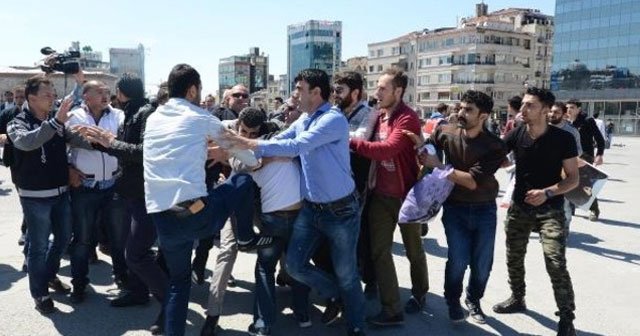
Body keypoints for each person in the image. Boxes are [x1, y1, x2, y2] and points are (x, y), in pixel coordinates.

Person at [225, 68, 366, 336]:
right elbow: (282, 139)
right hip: (312, 209)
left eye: (300, 89)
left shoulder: (332, 120)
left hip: (341, 211)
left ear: (316, 92)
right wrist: (255, 149)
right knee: (294, 266)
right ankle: (335, 294)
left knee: (347, 274)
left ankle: (356, 325)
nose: (295, 94)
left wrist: (246, 142)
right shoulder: (305, 118)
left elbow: (296, 146)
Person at [142, 63, 273, 336]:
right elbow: (241, 150)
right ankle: (246, 236)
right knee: (242, 180)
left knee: (179, 283)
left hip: (161, 218)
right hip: (195, 214)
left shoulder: (154, 118)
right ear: (192, 90)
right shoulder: (201, 117)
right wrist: (254, 161)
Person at [77, 76, 168, 334]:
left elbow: (141, 152)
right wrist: (101, 142)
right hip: (129, 191)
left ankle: (170, 301)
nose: (110, 96)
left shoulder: (146, 113)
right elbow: (122, 149)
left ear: (122, 92)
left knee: (137, 254)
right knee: (130, 247)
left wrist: (110, 142)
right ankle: (138, 291)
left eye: (113, 91)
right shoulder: (131, 112)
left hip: (143, 193)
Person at [408, 91, 507, 323]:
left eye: (468, 110)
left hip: (484, 209)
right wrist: (422, 146)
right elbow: (430, 149)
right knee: (458, 259)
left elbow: (473, 181)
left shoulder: (494, 146)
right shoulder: (445, 131)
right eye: (460, 107)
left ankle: (473, 300)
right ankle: (453, 301)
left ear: (483, 116)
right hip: (454, 208)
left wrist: (439, 166)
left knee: (482, 264)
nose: (461, 113)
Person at [493, 87, 579, 336]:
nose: (523, 109)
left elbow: (572, 179)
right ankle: (518, 298)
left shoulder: (563, 139)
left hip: (551, 209)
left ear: (544, 110)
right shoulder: (517, 133)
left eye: (529, 105)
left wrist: (548, 192)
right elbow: (497, 154)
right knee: (513, 257)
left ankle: (566, 317)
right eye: (523, 104)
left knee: (555, 262)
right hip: (519, 207)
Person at [349, 68, 429, 327]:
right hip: (381, 195)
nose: (377, 93)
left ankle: (419, 294)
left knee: (414, 251)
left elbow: (387, 150)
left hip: (408, 197)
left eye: (383, 88)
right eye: (377, 87)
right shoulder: (379, 116)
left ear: (398, 91)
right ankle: (392, 308)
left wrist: (348, 141)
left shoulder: (407, 118)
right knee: (379, 251)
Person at [7, 76, 75, 314]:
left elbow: (71, 138)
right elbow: (26, 143)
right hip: (35, 197)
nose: (53, 98)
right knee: (37, 247)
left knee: (64, 238)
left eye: (54, 93)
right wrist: (56, 122)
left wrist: (99, 140)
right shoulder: (17, 123)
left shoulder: (54, 121)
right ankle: (40, 293)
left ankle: (48, 275)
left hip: (61, 193)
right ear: (31, 98)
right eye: (48, 94)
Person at [65, 80, 128, 303]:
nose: (105, 95)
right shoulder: (74, 116)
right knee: (82, 240)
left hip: (112, 186)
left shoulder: (118, 116)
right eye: (99, 92)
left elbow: (123, 143)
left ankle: (122, 277)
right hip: (84, 188)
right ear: (86, 96)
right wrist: (69, 169)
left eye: (107, 92)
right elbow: (61, 147)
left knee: (119, 237)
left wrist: (102, 139)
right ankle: (79, 283)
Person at [332, 71, 378, 298]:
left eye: (340, 91)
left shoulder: (368, 113)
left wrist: (329, 135)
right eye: (334, 90)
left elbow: (360, 138)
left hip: (360, 186)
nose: (335, 95)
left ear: (355, 92)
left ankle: (370, 281)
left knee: (363, 238)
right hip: (338, 186)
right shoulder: (336, 113)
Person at [566, 99, 605, 221]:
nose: (569, 110)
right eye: (567, 107)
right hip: (569, 156)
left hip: (585, 156)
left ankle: (594, 209)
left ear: (579, 109)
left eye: (572, 107)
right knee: (568, 182)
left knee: (585, 185)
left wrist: (599, 154)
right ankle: (570, 207)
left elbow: (600, 139)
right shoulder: (566, 121)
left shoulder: (587, 121)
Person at [549, 102, 583, 236]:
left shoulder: (571, 131)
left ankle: (565, 227)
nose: (552, 114)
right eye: (551, 111)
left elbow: (578, 152)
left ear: (564, 115)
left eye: (556, 112)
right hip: (545, 172)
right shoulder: (542, 128)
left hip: (564, 174)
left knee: (564, 204)